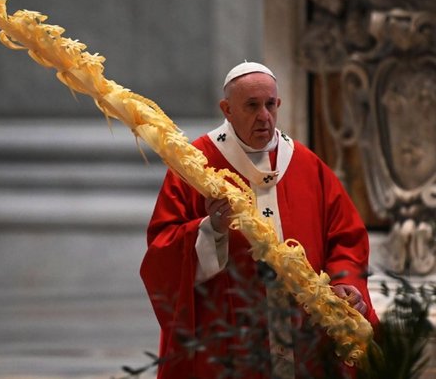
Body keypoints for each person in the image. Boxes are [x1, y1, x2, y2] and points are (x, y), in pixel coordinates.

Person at [140, 61, 379, 379]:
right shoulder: (196, 163)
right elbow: (162, 251)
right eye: (252, 106)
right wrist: (212, 230)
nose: (264, 116)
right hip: (230, 339)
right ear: (227, 109)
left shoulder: (307, 165)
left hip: (302, 336)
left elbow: (346, 238)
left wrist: (346, 284)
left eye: (270, 104)